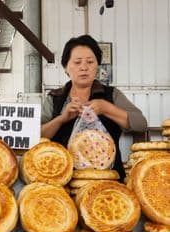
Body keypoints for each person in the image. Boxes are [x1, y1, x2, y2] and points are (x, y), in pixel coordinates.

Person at [41, 35, 147, 182]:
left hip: (108, 180)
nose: (84, 67)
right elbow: (37, 136)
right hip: (63, 180)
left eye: (90, 62)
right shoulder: (55, 98)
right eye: (77, 62)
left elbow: (141, 124)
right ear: (66, 67)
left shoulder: (111, 95)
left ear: (97, 66)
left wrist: (106, 108)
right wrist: (61, 119)